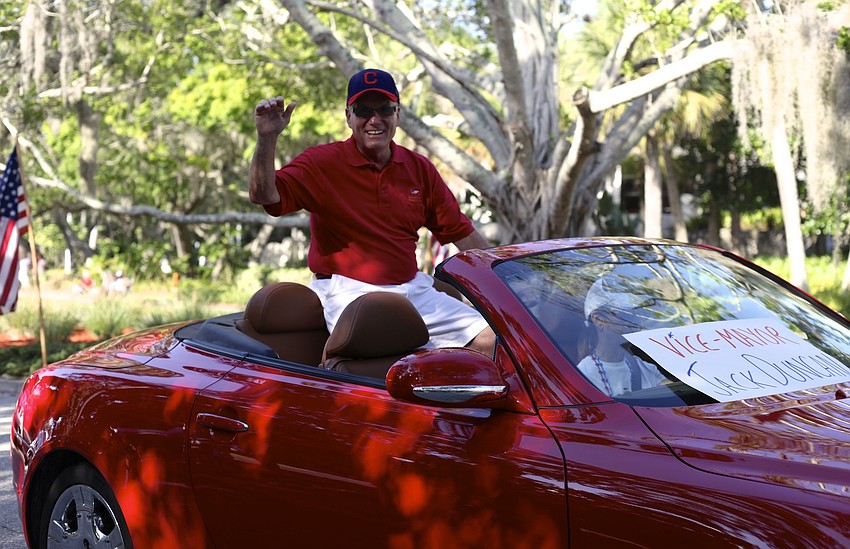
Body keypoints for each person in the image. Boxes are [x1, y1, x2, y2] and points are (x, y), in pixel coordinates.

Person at [249, 68, 495, 354]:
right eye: (363, 110)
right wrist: (267, 138)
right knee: (379, 340)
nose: (374, 120)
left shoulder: (419, 168)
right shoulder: (322, 162)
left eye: (385, 110)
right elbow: (264, 195)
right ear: (349, 116)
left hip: (412, 288)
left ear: (398, 115)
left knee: (493, 339)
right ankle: (331, 377)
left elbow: (463, 235)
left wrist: (505, 286)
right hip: (348, 291)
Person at [575, 277, 668, 396]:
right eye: (628, 315)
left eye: (639, 315)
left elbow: (679, 396)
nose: (637, 324)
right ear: (598, 319)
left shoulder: (645, 368)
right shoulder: (583, 376)